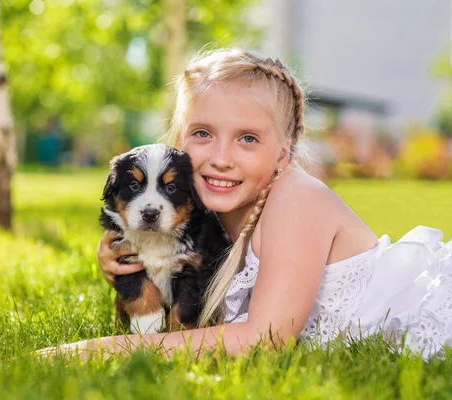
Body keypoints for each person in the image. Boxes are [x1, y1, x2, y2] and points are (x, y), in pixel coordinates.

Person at [40, 48, 452, 360]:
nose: (222, 156)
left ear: (283, 153)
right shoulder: (205, 220)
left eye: (248, 138)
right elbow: (186, 298)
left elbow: (267, 338)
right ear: (178, 142)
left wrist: (102, 349)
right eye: (202, 133)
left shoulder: (296, 197)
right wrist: (126, 258)